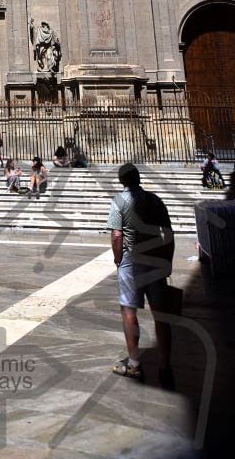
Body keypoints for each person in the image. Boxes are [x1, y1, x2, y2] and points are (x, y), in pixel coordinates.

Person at [107, 163, 175, 388]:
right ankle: (165, 367)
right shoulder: (155, 200)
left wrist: (118, 260)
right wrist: (168, 262)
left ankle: (134, 362)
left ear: (121, 181)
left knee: (128, 310)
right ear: (138, 178)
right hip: (155, 261)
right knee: (161, 315)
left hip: (131, 261)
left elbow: (117, 236)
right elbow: (168, 234)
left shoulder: (119, 201)